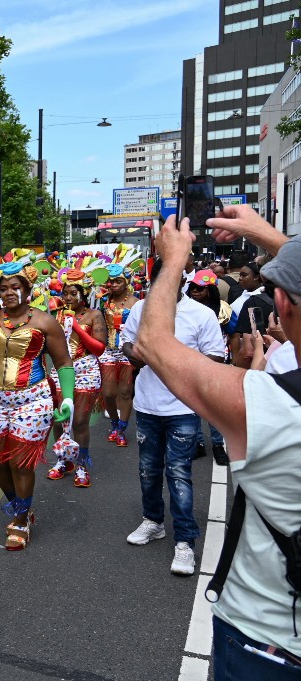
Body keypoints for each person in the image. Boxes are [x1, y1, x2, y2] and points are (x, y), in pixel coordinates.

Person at [134, 204, 301, 678]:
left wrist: (171, 264)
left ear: (282, 306)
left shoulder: (268, 404)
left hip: (266, 645)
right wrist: (274, 239)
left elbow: (153, 343)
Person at [121, 257, 225, 576]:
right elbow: (126, 343)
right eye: (158, 279)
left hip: (183, 407)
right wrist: (137, 354)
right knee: (148, 470)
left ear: (182, 280)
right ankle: (153, 522)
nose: (163, 285)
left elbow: (217, 355)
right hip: (148, 405)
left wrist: (177, 362)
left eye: (171, 278)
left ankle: (185, 541)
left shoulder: (200, 314)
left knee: (178, 472)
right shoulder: (141, 310)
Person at [0, 255, 74, 550]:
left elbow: (64, 363)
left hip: (34, 400)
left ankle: (21, 519)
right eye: (3, 288)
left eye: (15, 287)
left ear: (28, 290)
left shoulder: (45, 322)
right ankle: (19, 505)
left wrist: (67, 399)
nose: (9, 292)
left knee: (20, 463)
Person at [46, 270, 106, 487]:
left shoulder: (94, 315)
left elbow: (99, 348)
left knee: (79, 421)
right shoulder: (56, 315)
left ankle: (81, 464)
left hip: (86, 370)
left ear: (85, 293)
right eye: (65, 293)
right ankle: (63, 460)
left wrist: (77, 328)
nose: (68, 298)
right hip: (61, 370)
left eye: (73, 293)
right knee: (58, 419)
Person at [185, 270, 231, 465]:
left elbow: (234, 337)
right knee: (193, 406)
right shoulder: (185, 310)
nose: (195, 292)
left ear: (210, 291)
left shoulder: (224, 309)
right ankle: (198, 444)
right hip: (192, 364)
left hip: (217, 364)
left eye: (200, 289)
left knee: (214, 408)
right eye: (193, 288)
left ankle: (218, 445)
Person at [99, 264, 141, 447]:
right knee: (108, 393)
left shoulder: (136, 302)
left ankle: (122, 429)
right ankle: (114, 423)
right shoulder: (104, 301)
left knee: (124, 392)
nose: (113, 285)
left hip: (127, 350)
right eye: (111, 281)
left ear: (126, 282)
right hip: (108, 350)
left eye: (118, 281)